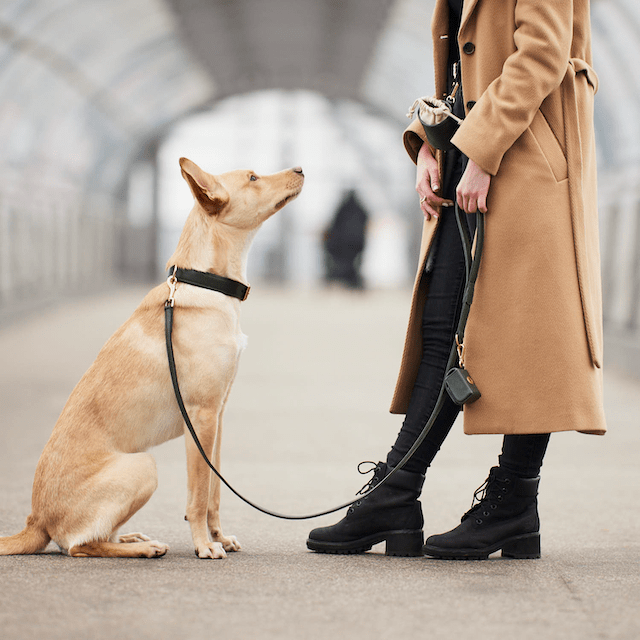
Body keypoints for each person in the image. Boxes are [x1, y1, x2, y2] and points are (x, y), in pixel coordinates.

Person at [307, 0, 606, 559]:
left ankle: (512, 498)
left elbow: (540, 53)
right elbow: (461, 70)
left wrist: (481, 154)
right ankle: (400, 489)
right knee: (443, 322)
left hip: (524, 157)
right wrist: (426, 141)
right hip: (474, 153)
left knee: (529, 331)